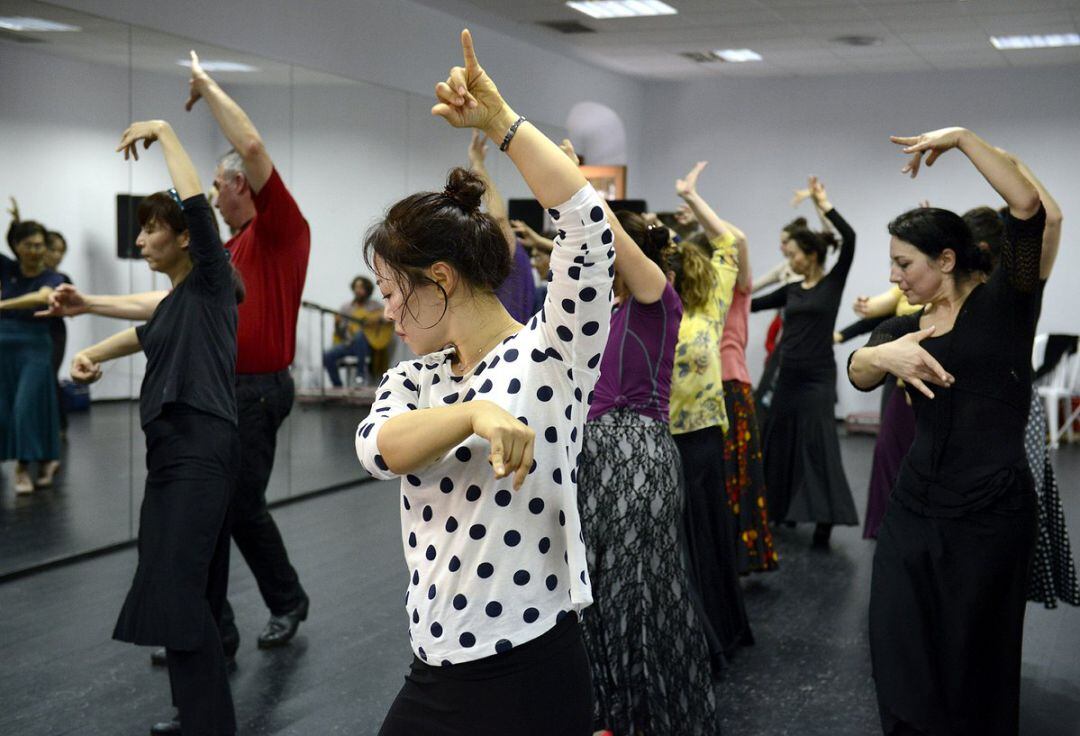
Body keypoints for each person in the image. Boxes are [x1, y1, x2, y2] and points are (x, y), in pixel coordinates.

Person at [355, 30, 612, 735]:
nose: (387, 309)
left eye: (390, 290)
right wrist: (474, 416)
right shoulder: (416, 381)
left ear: (438, 280)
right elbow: (379, 450)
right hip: (434, 659)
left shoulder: (551, 354)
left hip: (527, 664)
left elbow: (587, 228)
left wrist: (502, 124)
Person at [848, 126, 1045, 735]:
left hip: (990, 513)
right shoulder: (909, 325)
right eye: (893, 265)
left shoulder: (1007, 301)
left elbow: (1027, 207)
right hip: (916, 506)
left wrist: (961, 140)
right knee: (899, 639)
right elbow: (857, 372)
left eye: (905, 264)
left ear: (948, 260)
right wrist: (886, 358)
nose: (896, 277)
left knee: (973, 657)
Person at [68, 118, 241, 736]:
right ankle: (200, 716)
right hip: (174, 455)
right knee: (188, 589)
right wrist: (92, 357)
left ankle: (206, 722)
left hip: (199, 450)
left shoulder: (215, 285)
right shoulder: (177, 303)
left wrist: (166, 132)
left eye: (150, 228)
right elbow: (142, 332)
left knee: (176, 587)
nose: (140, 239)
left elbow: (195, 203)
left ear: (186, 239)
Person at [569, 139, 717, 733]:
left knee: (637, 590)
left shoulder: (659, 298)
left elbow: (615, 242)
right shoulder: (590, 307)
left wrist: (574, 182)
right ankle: (606, 709)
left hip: (639, 459)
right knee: (597, 588)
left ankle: (644, 714)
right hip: (591, 457)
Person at [186, 50, 311, 658]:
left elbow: (255, 147)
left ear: (238, 184)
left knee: (238, 507)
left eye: (216, 185)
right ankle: (217, 626)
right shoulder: (232, 248)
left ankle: (286, 602)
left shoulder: (281, 232)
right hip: (224, 391)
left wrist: (207, 86)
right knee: (219, 509)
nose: (212, 196)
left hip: (257, 390)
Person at [668, 161, 753, 670]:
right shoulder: (647, 310)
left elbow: (730, 246)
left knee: (705, 533)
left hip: (701, 437)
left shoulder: (711, 308)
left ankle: (718, 628)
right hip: (660, 437)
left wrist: (693, 199)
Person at [751, 176, 859, 546]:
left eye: (795, 253)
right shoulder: (792, 289)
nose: (790, 258)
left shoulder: (832, 284)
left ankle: (825, 519)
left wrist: (823, 203)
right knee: (779, 442)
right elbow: (750, 303)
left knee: (816, 445)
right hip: (788, 378)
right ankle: (782, 510)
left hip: (817, 379)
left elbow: (851, 239)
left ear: (811, 255)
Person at [680, 168, 778, 575]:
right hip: (709, 394)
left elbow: (735, 241)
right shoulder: (692, 302)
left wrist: (696, 204)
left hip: (730, 388)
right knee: (718, 480)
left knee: (733, 477)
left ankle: (733, 556)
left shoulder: (733, 291)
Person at [1, 203, 63, 494]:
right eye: (30, 245)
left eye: (41, 245)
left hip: (35, 348)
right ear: (17, 247)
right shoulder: (8, 268)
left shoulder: (53, 277)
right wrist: (17, 221)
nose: (37, 250)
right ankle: (46, 458)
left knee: (25, 407)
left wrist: (2, 305)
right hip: (4, 347)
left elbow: (41, 298)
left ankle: (23, 468)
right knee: (7, 409)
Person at [468, 129, 536, 324]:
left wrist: (478, 164)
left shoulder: (507, 263)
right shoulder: (509, 263)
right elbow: (498, 219)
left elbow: (499, 218)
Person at [322, 275, 389, 388]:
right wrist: (337, 325)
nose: (358, 290)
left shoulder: (374, 306)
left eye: (361, 288)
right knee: (327, 355)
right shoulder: (346, 308)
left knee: (360, 335)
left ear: (367, 290)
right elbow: (340, 334)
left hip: (368, 346)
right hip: (349, 344)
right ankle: (337, 386)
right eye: (356, 287)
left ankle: (360, 373)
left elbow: (388, 318)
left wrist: (374, 319)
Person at [43, 230, 73, 441]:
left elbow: (70, 308)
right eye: (53, 249)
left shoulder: (62, 279)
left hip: (54, 333)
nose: (57, 255)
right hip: (31, 333)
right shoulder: (29, 276)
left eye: (61, 251)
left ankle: (60, 425)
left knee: (49, 376)